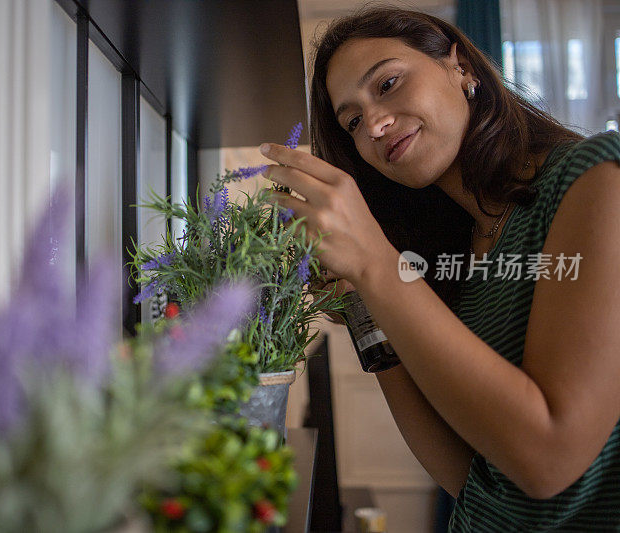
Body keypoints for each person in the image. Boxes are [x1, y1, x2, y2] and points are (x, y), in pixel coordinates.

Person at [258, 6, 620, 532]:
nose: (376, 124)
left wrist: (374, 262)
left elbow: (548, 462)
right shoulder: (453, 252)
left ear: (460, 66)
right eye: (353, 121)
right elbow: (470, 483)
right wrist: (363, 298)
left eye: (388, 83)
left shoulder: (596, 180)